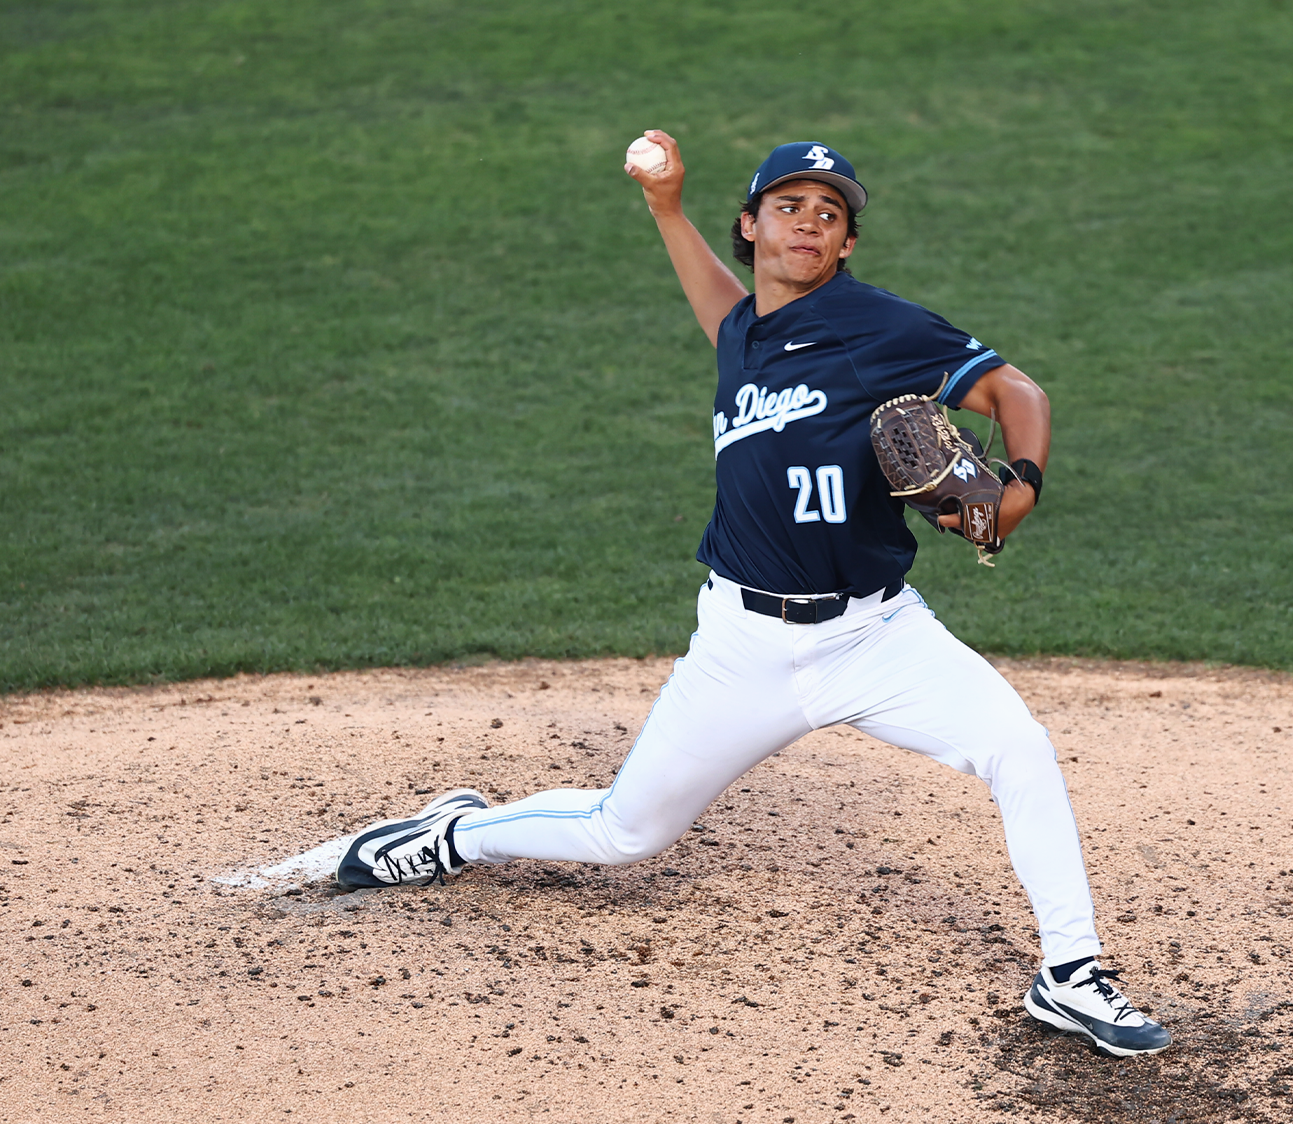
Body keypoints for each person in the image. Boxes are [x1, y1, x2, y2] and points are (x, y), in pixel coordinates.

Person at [334, 133, 1170, 1057]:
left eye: (830, 213)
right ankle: (458, 835)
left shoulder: (882, 328)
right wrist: (664, 206)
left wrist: (1019, 487)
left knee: (1019, 746)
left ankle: (1071, 972)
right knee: (626, 832)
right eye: (789, 206)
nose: (810, 222)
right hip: (742, 646)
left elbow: (1020, 389)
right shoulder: (743, 335)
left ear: (847, 244)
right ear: (752, 225)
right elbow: (721, 307)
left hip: (876, 636)